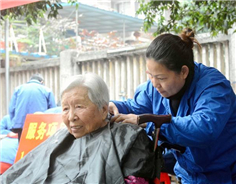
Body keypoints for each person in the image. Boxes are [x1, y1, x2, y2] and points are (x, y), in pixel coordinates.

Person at [109, 28, 236, 183]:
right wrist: (112, 106)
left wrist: (151, 123)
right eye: (150, 76)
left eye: (161, 78)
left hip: (225, 175)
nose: (155, 84)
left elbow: (203, 128)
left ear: (183, 72)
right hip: (188, 175)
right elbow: (136, 108)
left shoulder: (214, 87)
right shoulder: (153, 88)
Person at [0, 73, 156, 184]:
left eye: (79, 106)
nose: (71, 117)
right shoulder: (59, 138)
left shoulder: (128, 138)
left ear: (103, 109)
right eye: (65, 108)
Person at [9, 73, 56, 141]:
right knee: (39, 148)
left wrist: (14, 123)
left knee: (23, 148)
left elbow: (12, 109)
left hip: (22, 125)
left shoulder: (18, 89)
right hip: (40, 125)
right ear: (41, 82)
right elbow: (53, 110)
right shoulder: (47, 90)